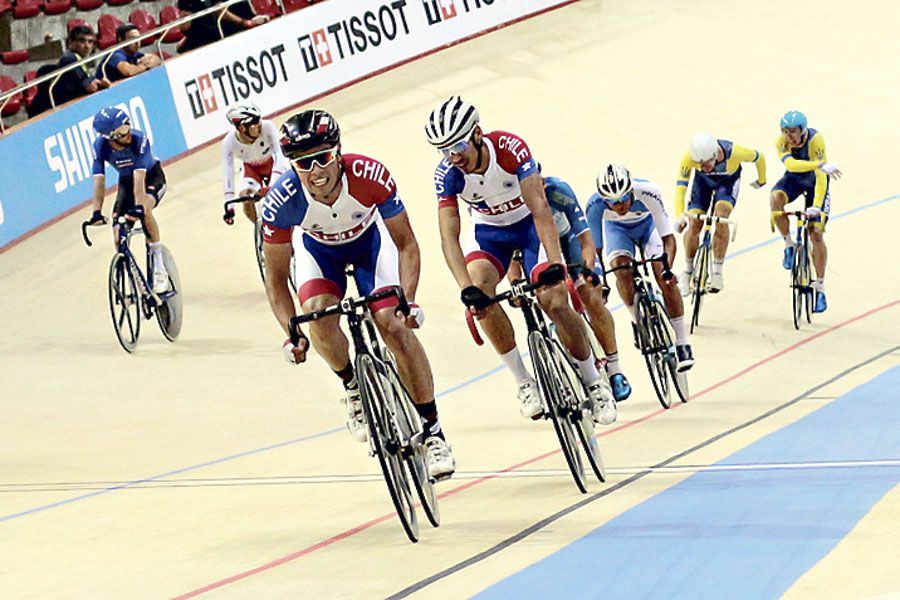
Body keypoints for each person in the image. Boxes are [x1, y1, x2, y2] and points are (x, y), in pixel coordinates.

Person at [261, 110, 455, 480]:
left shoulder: (369, 175)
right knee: (316, 314)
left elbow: (406, 244)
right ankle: (351, 384)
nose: (316, 170)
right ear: (292, 166)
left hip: (371, 245)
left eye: (323, 157)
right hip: (320, 254)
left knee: (392, 325)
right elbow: (277, 279)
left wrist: (407, 301)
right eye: (304, 163)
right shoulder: (281, 201)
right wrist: (293, 334)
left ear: (339, 151)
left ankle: (433, 432)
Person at [426, 96, 616, 426]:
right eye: (444, 150)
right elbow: (449, 238)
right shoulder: (448, 175)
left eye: (456, 145)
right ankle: (524, 382)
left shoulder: (510, 148)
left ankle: (593, 380)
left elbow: (540, 208)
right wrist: (466, 288)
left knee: (555, 301)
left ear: (476, 134)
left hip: (529, 226)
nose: (452, 156)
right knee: (480, 299)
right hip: (489, 234)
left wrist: (555, 263)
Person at [586, 164, 695, 371]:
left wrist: (667, 268)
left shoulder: (649, 192)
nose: (619, 206)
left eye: (623, 199)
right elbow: (595, 251)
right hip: (617, 232)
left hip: (648, 227)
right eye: (613, 202)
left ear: (631, 192)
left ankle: (682, 342)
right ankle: (637, 319)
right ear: (604, 199)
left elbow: (669, 239)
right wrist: (603, 281)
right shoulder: (594, 205)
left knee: (664, 278)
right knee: (621, 269)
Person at [539, 167, 632, 402]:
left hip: (570, 242)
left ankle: (615, 369)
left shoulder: (558, 190)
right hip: (543, 252)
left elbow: (585, 237)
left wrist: (589, 269)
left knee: (591, 297)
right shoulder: (513, 205)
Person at [85, 107, 170, 294]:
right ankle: (131, 278)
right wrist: (96, 212)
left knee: (145, 209)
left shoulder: (139, 140)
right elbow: (99, 181)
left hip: (151, 177)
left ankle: (159, 267)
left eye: (128, 126)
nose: (128, 133)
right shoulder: (100, 146)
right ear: (110, 137)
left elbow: (139, 181)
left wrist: (139, 207)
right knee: (117, 233)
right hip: (126, 182)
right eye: (122, 132)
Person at [674, 132, 766, 294]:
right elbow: (681, 187)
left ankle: (717, 271)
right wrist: (680, 215)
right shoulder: (689, 158)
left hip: (728, 183)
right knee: (694, 223)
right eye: (699, 164)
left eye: (707, 163)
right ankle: (687, 271)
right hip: (702, 184)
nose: (703, 167)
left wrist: (761, 180)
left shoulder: (735, 152)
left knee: (721, 217)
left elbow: (759, 157)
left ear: (716, 154)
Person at [770, 111, 841, 313]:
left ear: (802, 130)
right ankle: (789, 245)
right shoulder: (781, 142)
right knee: (775, 199)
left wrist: (817, 205)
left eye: (792, 132)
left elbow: (820, 176)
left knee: (816, 233)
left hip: (815, 183)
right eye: (785, 132)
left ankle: (819, 288)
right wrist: (819, 164)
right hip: (794, 178)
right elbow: (791, 165)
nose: (788, 137)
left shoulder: (815, 140)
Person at [221, 103, 288, 225]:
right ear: (242, 128)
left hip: (273, 164)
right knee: (246, 198)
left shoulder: (268, 127)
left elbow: (279, 154)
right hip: (251, 169)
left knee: (282, 193)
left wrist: (272, 186)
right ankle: (262, 230)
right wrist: (229, 204)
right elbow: (228, 172)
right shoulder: (228, 142)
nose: (260, 124)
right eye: (255, 122)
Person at [177, 0, 270, 54]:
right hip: (211, 41)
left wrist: (251, 20)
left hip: (236, 29)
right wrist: (246, 22)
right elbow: (219, 9)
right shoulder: (186, 3)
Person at [54, 26, 110, 105]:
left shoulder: (79, 59)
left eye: (90, 42)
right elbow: (90, 86)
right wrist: (101, 83)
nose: (87, 46)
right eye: (82, 41)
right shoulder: (69, 59)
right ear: (70, 42)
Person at [96, 24, 161, 82]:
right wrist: (143, 66)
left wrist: (144, 65)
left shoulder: (133, 53)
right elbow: (128, 71)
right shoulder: (115, 54)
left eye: (138, 38)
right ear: (120, 40)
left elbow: (157, 59)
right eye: (132, 38)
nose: (137, 42)